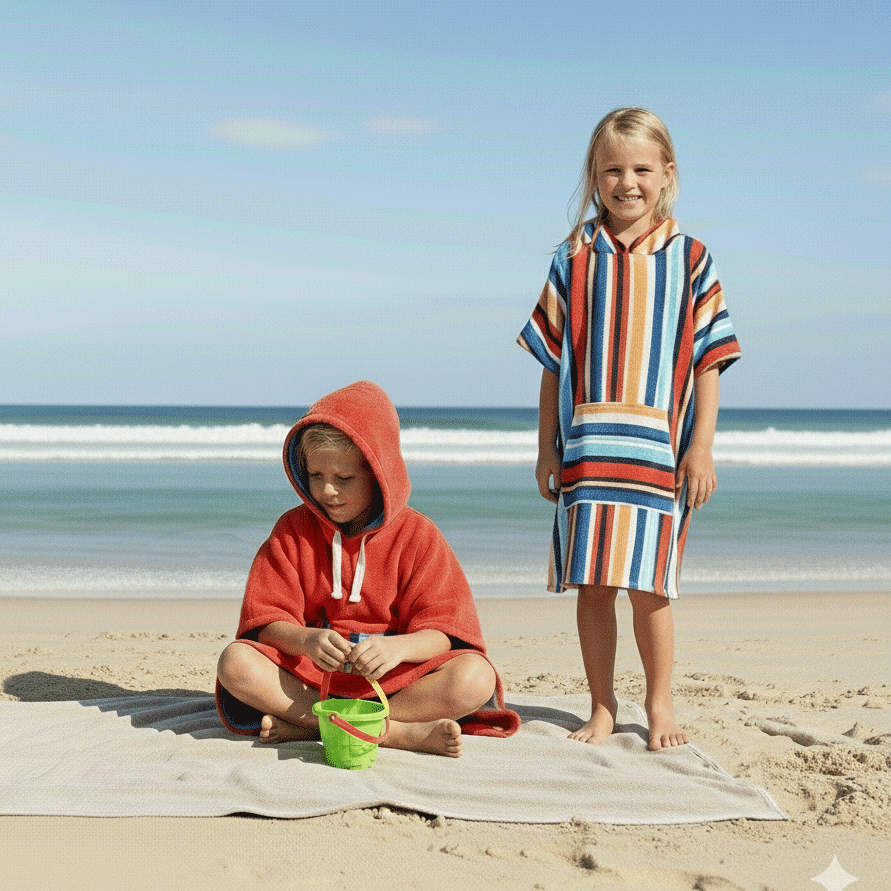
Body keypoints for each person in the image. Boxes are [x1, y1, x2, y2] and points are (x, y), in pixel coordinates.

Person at [517, 107, 741, 751]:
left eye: (641, 168)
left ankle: (659, 704)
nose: (627, 182)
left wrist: (701, 449)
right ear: (594, 176)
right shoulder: (573, 258)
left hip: (659, 453)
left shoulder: (691, 259)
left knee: (651, 584)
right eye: (612, 169)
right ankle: (602, 703)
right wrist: (545, 449)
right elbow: (552, 362)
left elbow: (708, 362)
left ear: (666, 174)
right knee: (594, 585)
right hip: (588, 448)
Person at [216, 380, 520, 757]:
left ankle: (311, 726)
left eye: (344, 479)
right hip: (313, 682)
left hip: (396, 684)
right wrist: (306, 640)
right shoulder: (292, 530)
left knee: (475, 677)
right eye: (316, 477)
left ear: (380, 474)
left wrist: (397, 649)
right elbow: (265, 623)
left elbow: (445, 632)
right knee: (236, 663)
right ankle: (397, 734)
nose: (327, 491)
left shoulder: (419, 535)